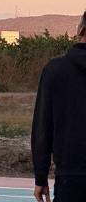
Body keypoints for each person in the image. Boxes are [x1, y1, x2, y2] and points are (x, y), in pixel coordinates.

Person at [31, 11, 86, 202]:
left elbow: (42, 127)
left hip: (70, 174)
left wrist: (40, 177)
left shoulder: (55, 69)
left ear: (80, 30)